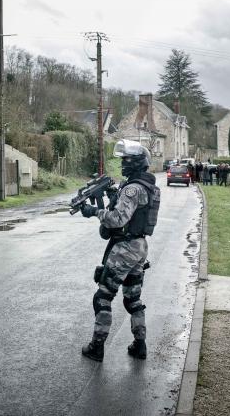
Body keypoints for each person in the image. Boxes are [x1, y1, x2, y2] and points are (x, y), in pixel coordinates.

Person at [79, 139, 160, 362]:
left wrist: (94, 211)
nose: (123, 164)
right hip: (140, 247)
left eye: (126, 160)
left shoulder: (133, 189)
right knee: (132, 298)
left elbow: (117, 219)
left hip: (124, 248)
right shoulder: (147, 186)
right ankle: (140, 344)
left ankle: (97, 347)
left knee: (103, 297)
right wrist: (114, 195)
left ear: (135, 163)